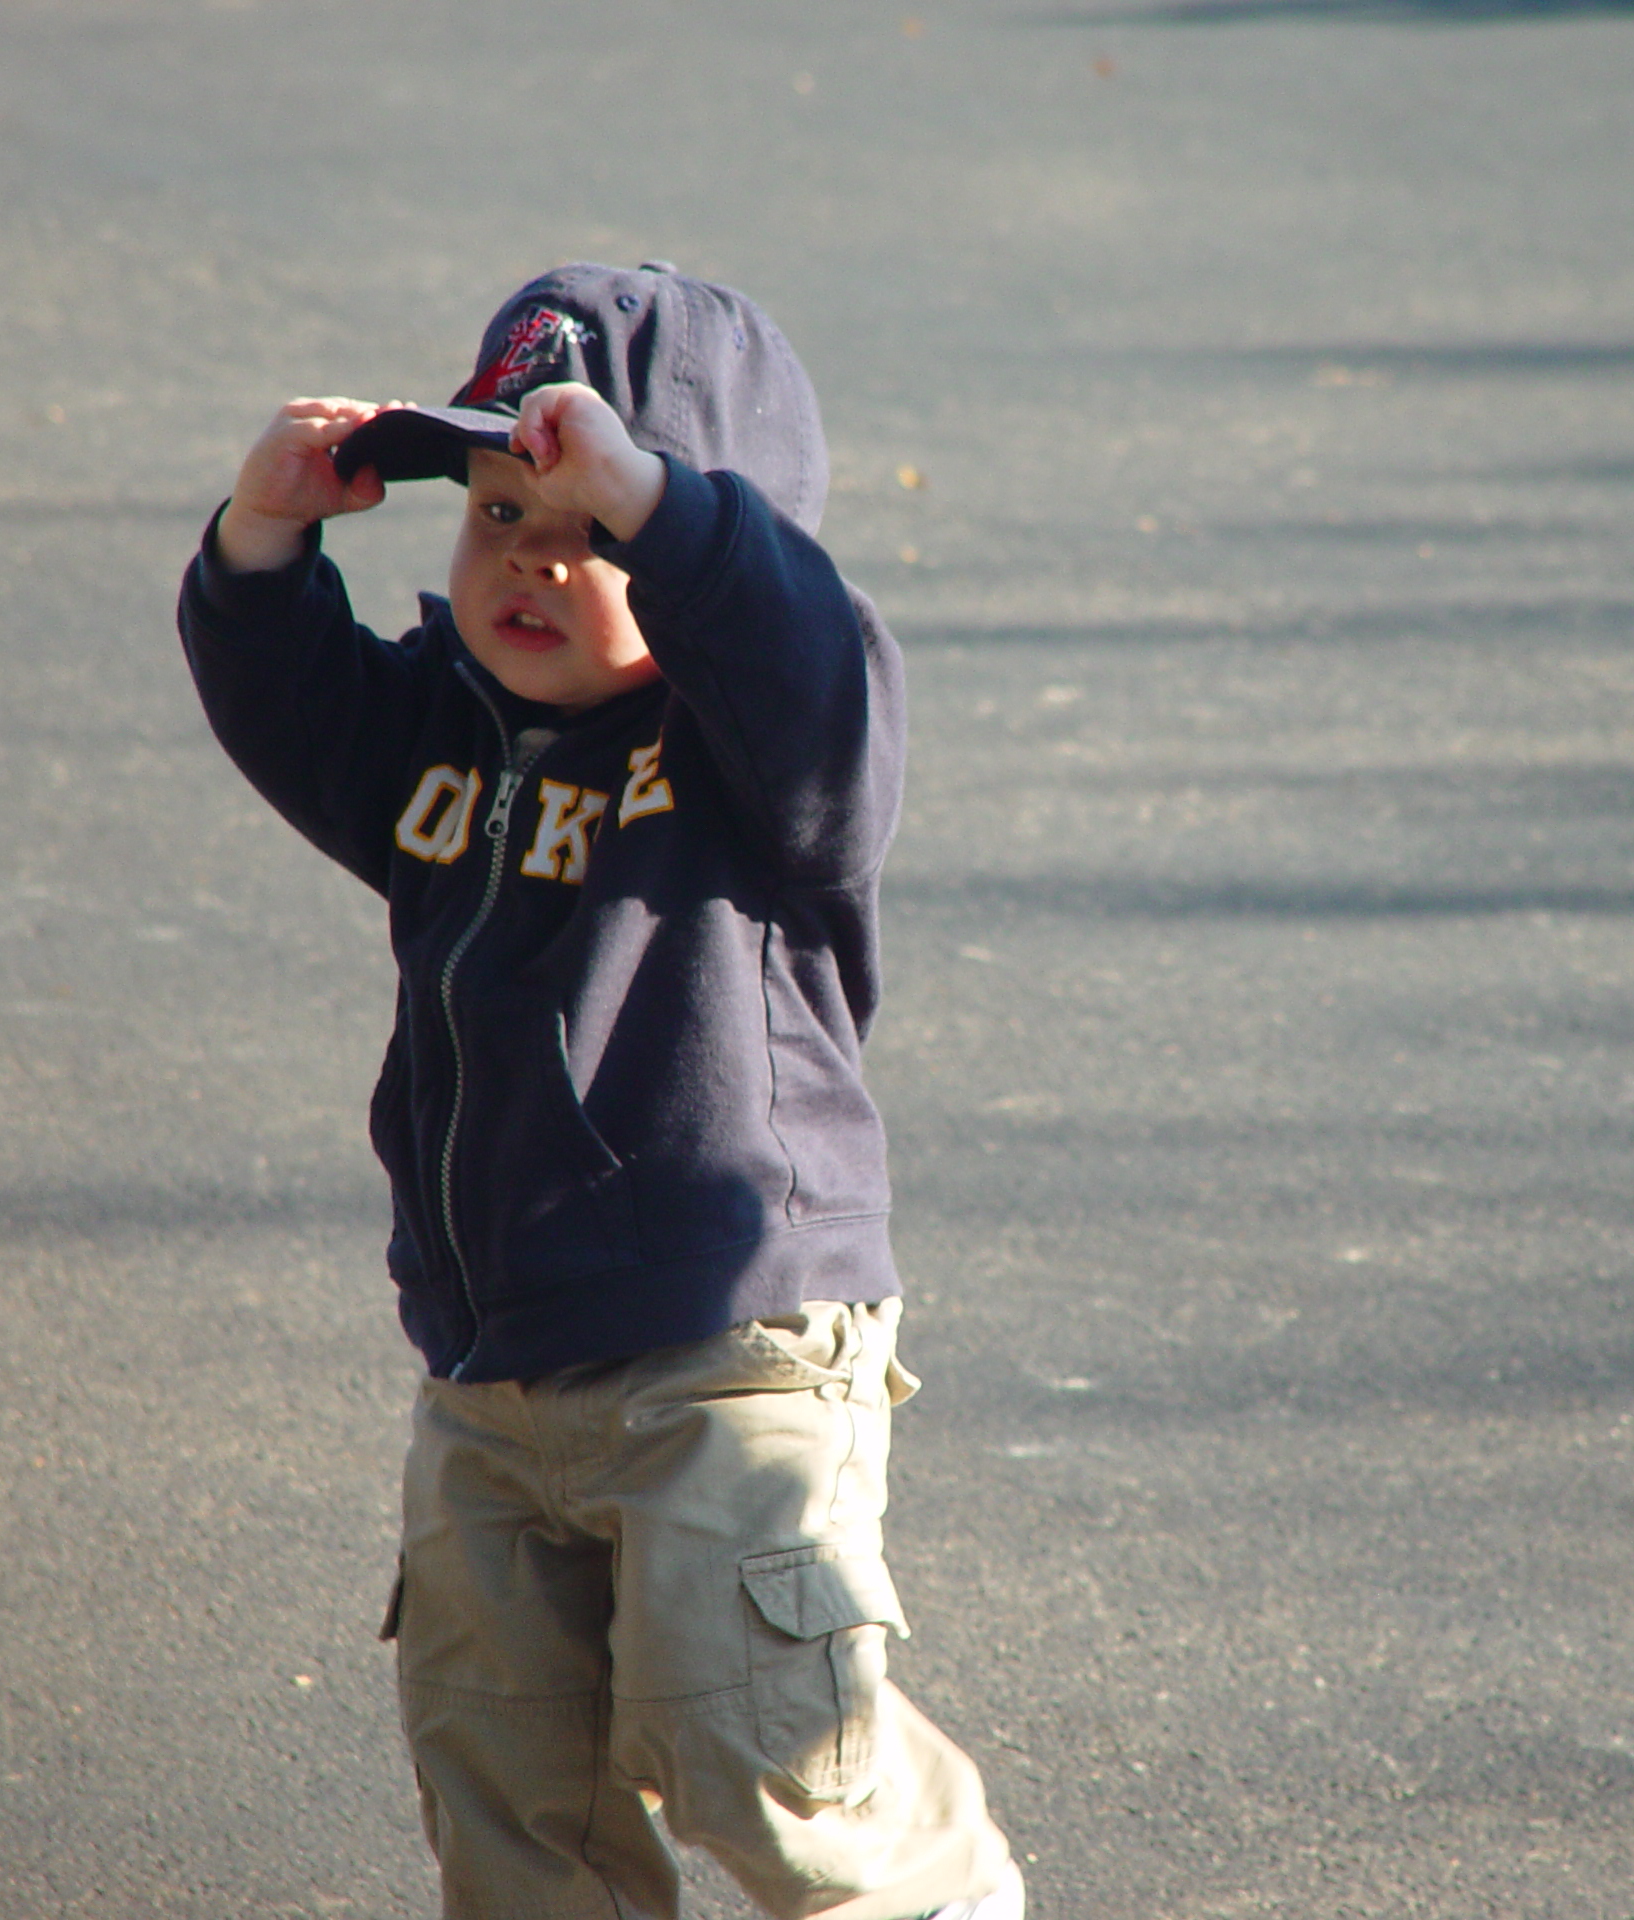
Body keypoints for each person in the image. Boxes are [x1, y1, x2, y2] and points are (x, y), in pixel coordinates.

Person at [176, 261, 1023, 1920]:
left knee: (767, 1752)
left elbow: (807, 661)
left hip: (731, 1349)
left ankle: (941, 1896)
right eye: (498, 511)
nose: (531, 559)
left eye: (589, 531)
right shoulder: (444, 735)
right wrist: (260, 544)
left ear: (700, 554)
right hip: (490, 1375)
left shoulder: (755, 762)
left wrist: (667, 512)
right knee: (510, 1791)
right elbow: (286, 703)